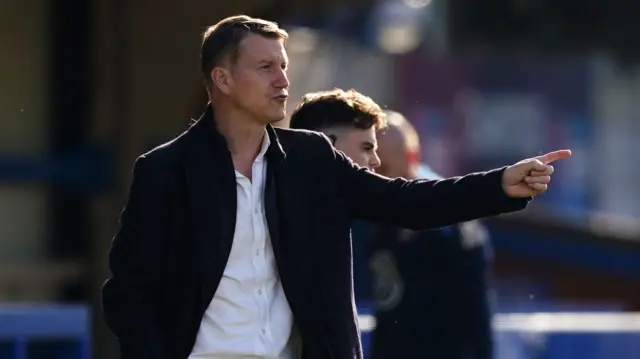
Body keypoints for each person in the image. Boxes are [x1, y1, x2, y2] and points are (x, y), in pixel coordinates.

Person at [101, 14, 571, 359]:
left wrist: (501, 185)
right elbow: (128, 293)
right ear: (222, 79)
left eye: (284, 66)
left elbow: (405, 201)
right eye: (266, 68)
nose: (284, 81)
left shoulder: (310, 160)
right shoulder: (164, 171)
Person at [367, 110, 495, 359]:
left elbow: (477, 314)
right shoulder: (373, 222)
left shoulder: (455, 225)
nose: (377, 178)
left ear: (411, 157)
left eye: (385, 167)